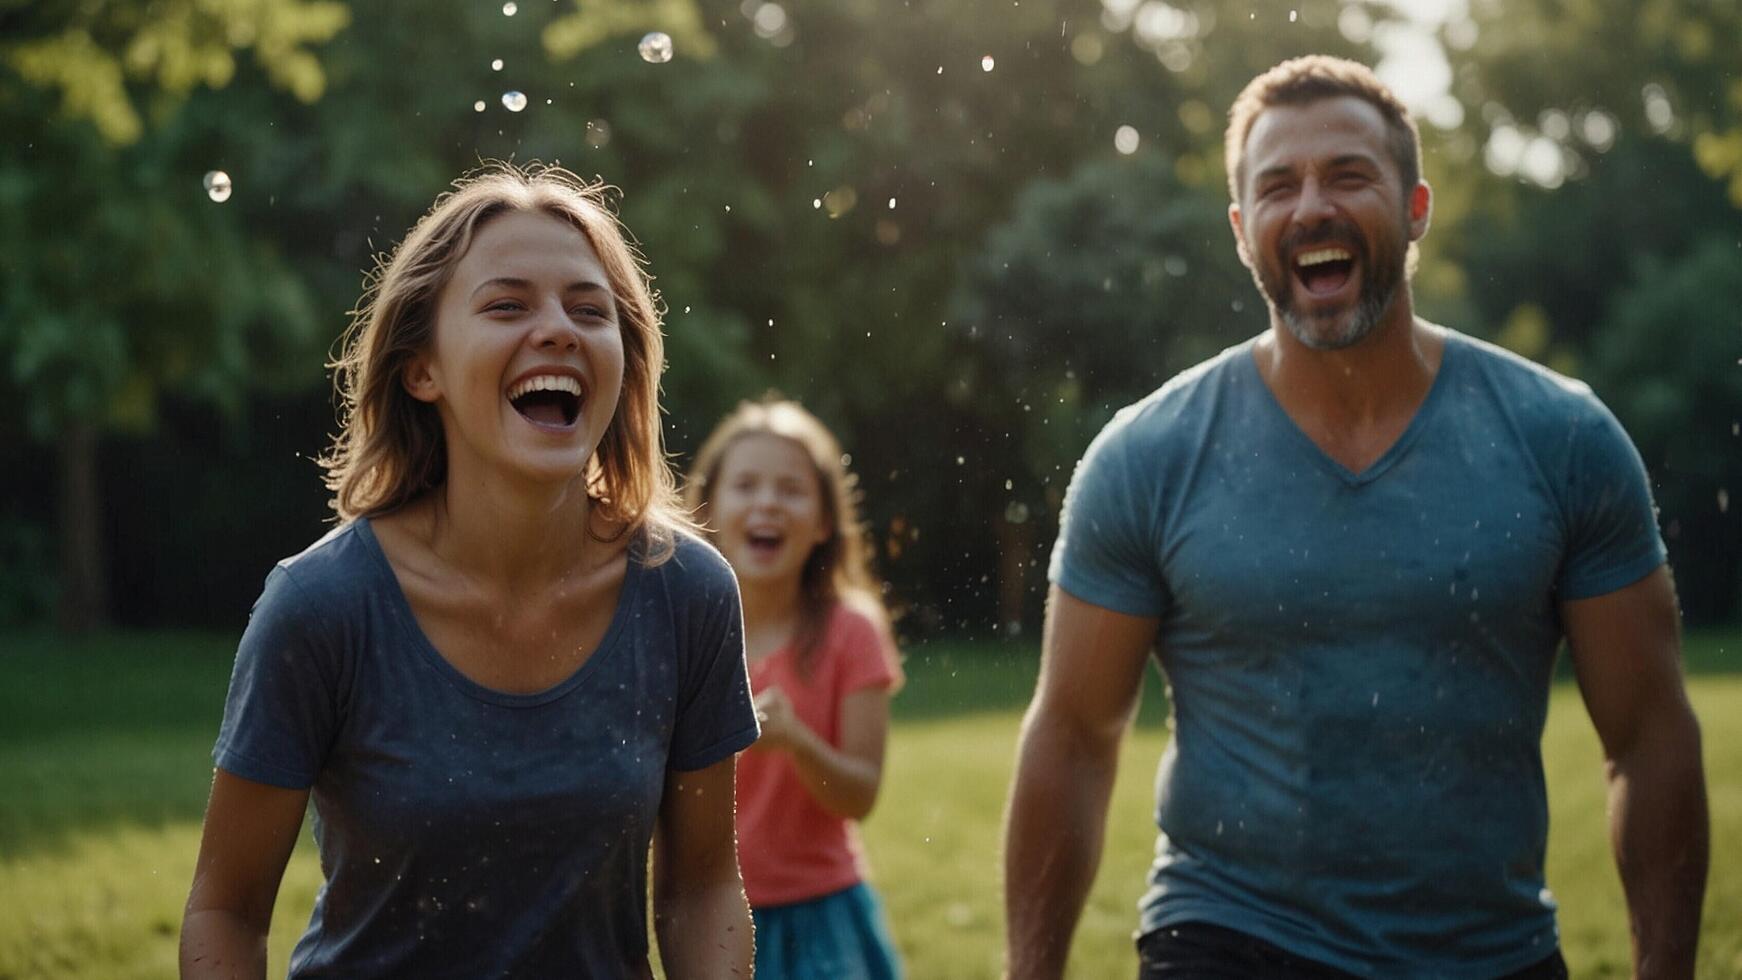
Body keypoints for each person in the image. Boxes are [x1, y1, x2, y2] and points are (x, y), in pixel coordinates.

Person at [1003, 55, 1708, 979]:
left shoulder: (1562, 439)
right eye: (1277, 186)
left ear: (1415, 209)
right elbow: (1073, 737)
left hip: (1489, 954)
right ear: (1241, 229)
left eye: (1347, 176)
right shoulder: (1149, 456)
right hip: (1225, 937)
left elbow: (1650, 737)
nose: (1310, 209)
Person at [180, 164, 759, 978]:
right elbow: (225, 912)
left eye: (589, 311)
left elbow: (701, 890)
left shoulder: (688, 593)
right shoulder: (321, 608)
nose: (558, 329)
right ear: (424, 370)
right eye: (507, 305)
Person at [685, 398, 906, 980]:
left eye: (790, 489)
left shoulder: (851, 632)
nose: (767, 503)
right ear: (708, 507)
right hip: (711, 914)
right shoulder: (683, 631)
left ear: (824, 522)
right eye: (748, 484)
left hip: (823, 915)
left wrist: (797, 743)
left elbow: (860, 796)